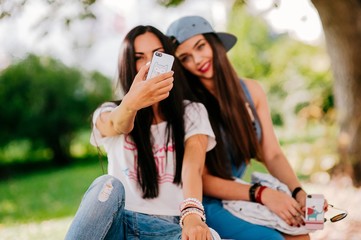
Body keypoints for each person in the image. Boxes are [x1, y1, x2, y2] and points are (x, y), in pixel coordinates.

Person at [166, 15, 321, 240]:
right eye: (186, 58)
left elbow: (273, 154)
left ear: (214, 43)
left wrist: (299, 193)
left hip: (241, 193)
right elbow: (202, 177)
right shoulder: (191, 107)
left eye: (201, 46)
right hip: (205, 201)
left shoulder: (252, 91)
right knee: (274, 239)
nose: (198, 59)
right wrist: (262, 194)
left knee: (301, 232)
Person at [65, 25, 220, 240]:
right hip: (119, 223)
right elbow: (119, 124)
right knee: (106, 185)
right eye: (139, 57)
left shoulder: (192, 112)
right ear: (127, 64)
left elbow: (193, 167)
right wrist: (132, 103)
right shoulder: (108, 111)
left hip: (169, 227)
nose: (150, 64)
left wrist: (192, 215)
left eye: (158, 54)